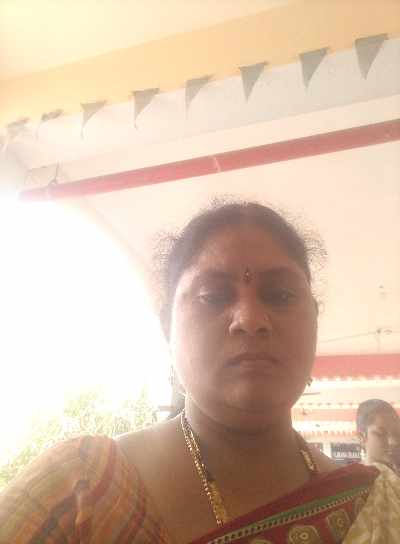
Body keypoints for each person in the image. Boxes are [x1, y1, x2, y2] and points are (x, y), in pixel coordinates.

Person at [1, 201, 399, 543]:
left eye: (280, 295)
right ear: (166, 327)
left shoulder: (379, 507)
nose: (250, 319)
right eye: (214, 296)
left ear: (314, 317)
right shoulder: (81, 486)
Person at [356, 398, 400, 475]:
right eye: (381, 434)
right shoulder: (352, 478)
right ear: (361, 437)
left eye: (395, 433)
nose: (393, 441)